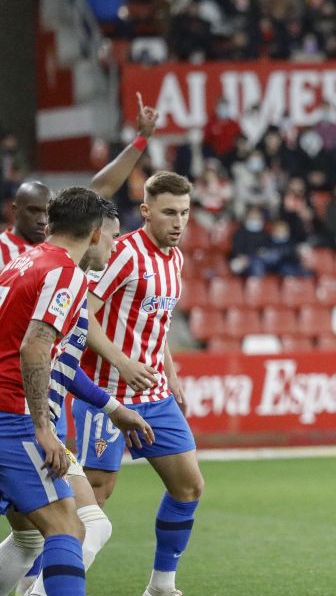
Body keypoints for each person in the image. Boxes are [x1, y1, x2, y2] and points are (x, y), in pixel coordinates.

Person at [0, 198, 155, 596]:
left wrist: (113, 407)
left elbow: (60, 361)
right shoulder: (64, 274)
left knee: (36, 537)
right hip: (12, 416)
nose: (115, 247)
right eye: (114, 238)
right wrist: (42, 428)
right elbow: (35, 348)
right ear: (95, 234)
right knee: (69, 527)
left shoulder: (24, 262)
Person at [75, 171, 203, 596]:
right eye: (169, 213)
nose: (179, 222)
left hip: (154, 394)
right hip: (106, 392)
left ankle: (161, 586)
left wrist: (169, 367)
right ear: (146, 211)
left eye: (185, 212)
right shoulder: (124, 253)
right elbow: (84, 315)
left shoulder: (176, 259)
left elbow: (156, 321)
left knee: (188, 486)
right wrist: (121, 360)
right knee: (96, 495)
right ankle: (47, 581)